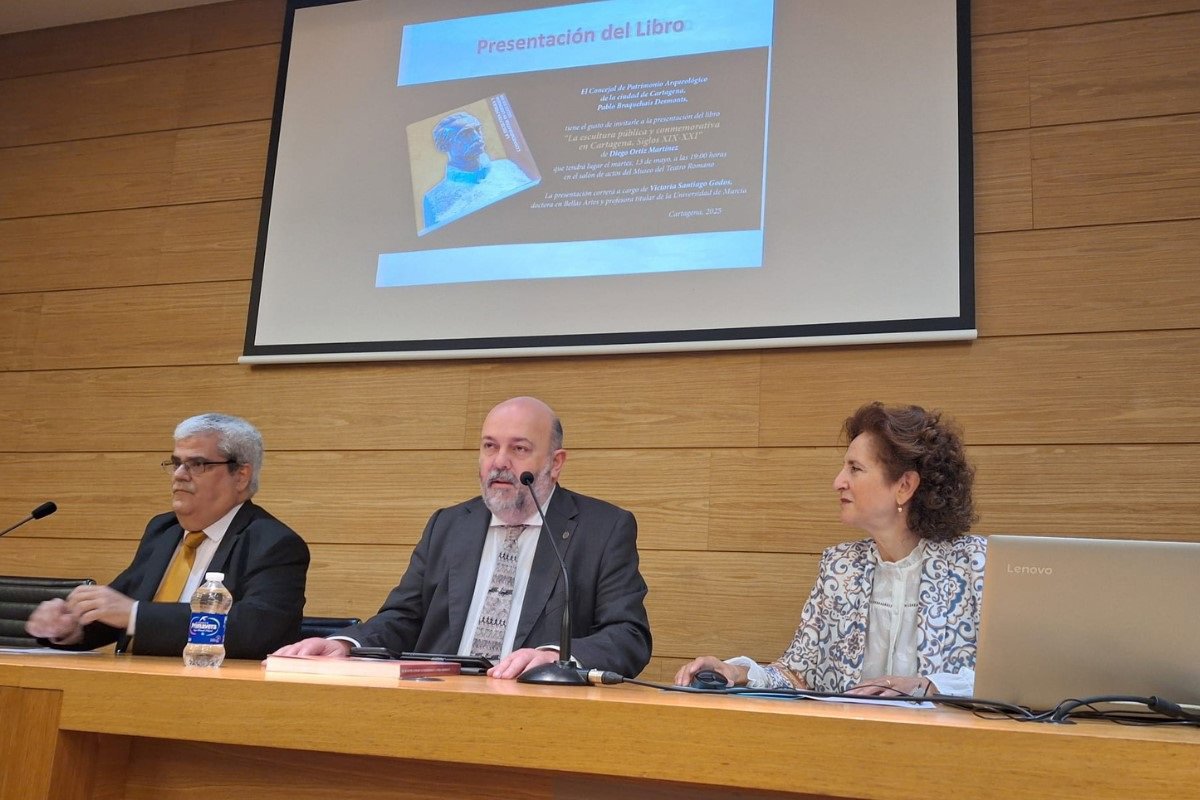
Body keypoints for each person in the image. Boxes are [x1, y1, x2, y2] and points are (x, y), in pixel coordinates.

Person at [274, 396, 652, 679]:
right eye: (490, 446)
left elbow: (628, 634)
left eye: (519, 448)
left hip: (537, 706)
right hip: (439, 699)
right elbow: (404, 618)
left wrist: (558, 656)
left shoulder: (602, 528)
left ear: (555, 463)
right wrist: (345, 643)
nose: (500, 461)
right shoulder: (450, 524)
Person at [676, 402, 985, 697]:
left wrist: (927, 685)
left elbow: (1008, 679)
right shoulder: (840, 566)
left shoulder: (977, 566)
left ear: (904, 486)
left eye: (855, 468)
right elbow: (796, 676)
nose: (838, 482)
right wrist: (735, 672)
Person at [26, 413, 310, 659]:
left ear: (241, 475)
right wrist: (71, 627)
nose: (179, 475)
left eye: (197, 464)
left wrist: (135, 614)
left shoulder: (273, 543)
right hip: (131, 681)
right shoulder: (163, 531)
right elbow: (118, 610)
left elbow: (256, 629)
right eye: (176, 463)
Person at [422, 111, 534, 230]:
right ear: (445, 146)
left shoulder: (507, 166)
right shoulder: (433, 199)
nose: (477, 137)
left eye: (478, 129)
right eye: (466, 134)